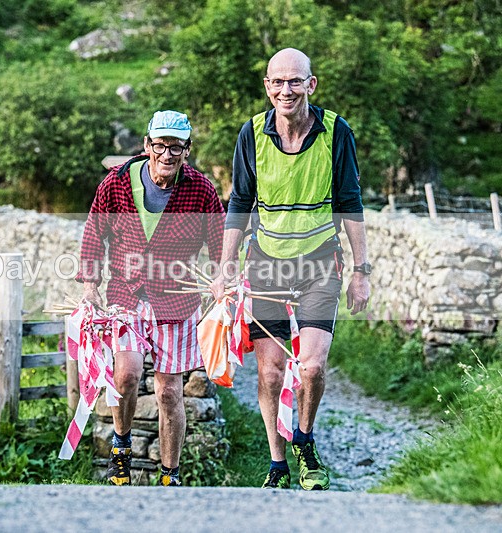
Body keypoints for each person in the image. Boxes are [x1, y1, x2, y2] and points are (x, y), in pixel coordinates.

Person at [211, 48, 370, 490]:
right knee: (270, 372)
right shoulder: (252, 134)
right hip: (266, 265)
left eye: (295, 81)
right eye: (278, 82)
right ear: (267, 86)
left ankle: (304, 439)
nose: (286, 89)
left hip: (321, 262)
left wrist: (362, 271)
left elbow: (351, 204)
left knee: (313, 368)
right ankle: (277, 462)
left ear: (311, 85)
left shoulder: (336, 132)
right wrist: (226, 267)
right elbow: (240, 203)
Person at [79, 110, 224, 486]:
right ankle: (122, 448)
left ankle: (169, 474)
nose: (167, 154)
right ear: (147, 146)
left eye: (176, 147)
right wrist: (90, 284)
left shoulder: (201, 189)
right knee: (125, 376)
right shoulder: (117, 183)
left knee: (170, 391)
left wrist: (223, 276)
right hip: (125, 295)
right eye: (160, 145)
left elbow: (221, 240)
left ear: (187, 150)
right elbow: (94, 232)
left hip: (176, 301)